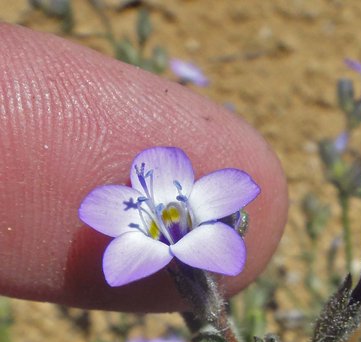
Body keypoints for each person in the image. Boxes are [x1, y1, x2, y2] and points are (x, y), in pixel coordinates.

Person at [0, 23, 288, 312]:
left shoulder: (200, 228)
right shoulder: (146, 240)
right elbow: (98, 219)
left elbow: (242, 190)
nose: (169, 220)